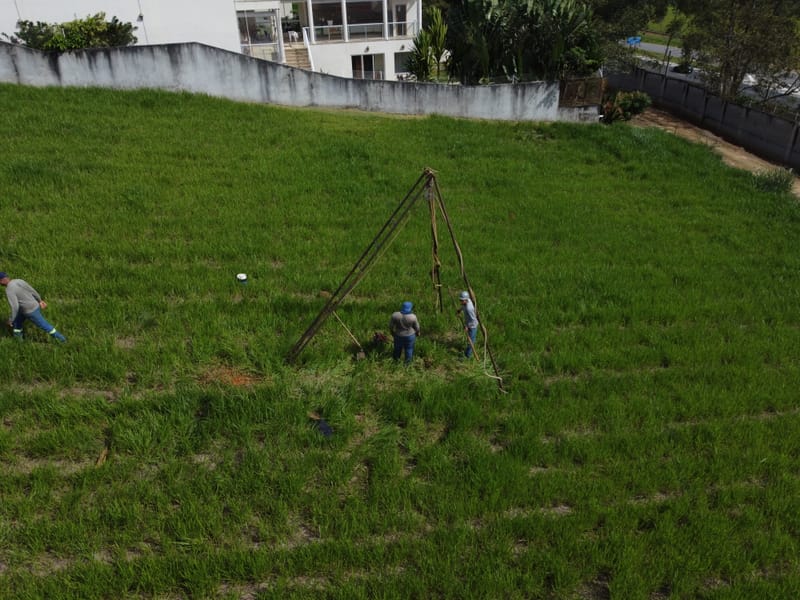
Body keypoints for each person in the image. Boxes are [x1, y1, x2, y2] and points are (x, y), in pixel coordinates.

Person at [0, 272, 66, 342]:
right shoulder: (19, 280)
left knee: (44, 325)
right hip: (32, 305)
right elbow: (32, 290)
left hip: (29, 311)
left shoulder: (9, 290)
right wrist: (40, 300)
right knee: (17, 322)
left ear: (2, 280)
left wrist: (10, 320)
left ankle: (62, 339)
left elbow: (15, 307)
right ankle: (18, 340)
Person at [458, 290, 478, 358]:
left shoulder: (470, 308)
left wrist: (467, 326)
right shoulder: (465, 302)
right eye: (460, 300)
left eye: (462, 300)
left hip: (472, 326)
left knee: (471, 341)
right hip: (468, 323)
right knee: (469, 339)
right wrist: (460, 310)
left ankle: (467, 356)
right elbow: (463, 307)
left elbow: (473, 319)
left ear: (466, 300)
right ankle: (467, 351)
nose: (461, 301)